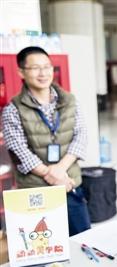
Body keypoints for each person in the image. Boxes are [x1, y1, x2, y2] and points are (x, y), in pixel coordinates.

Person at [2, 46, 91, 236]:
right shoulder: (13, 109)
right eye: (35, 68)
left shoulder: (70, 101)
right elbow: (19, 150)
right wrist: (52, 176)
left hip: (69, 183)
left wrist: (60, 170)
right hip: (35, 192)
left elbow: (81, 136)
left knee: (83, 240)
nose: (43, 73)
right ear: (21, 72)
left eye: (47, 66)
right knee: (43, 243)